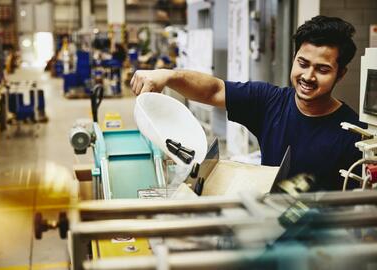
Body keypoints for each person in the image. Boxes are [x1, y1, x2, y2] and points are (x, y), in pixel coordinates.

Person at [130, 16, 366, 191]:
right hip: (265, 226)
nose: (308, 76)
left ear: (341, 74)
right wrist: (167, 75)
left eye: (322, 69)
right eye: (303, 63)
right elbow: (214, 90)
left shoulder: (353, 134)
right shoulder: (270, 102)